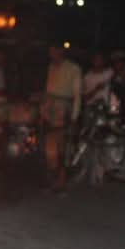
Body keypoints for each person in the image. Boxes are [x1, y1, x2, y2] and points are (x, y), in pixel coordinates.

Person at [42, 43, 82, 192]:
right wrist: (44, 110)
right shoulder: (51, 68)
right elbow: (48, 90)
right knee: (49, 148)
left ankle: (62, 183)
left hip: (64, 111)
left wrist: (74, 116)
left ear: (60, 51)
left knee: (63, 149)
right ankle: (52, 181)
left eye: (53, 51)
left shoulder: (73, 69)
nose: (51, 55)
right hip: (50, 112)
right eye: (50, 52)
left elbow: (77, 95)